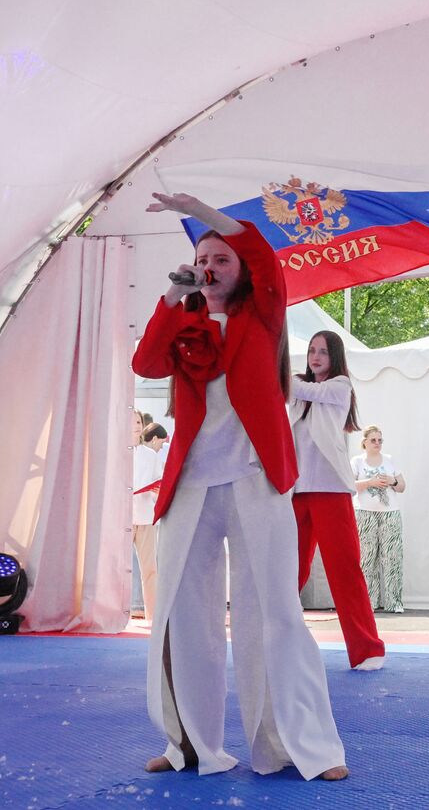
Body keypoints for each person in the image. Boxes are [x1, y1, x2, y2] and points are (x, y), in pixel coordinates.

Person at [132, 192, 347, 780]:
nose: (212, 265)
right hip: (192, 488)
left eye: (223, 258)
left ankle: (294, 745)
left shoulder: (264, 314)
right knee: (182, 615)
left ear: (241, 268)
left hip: (257, 480)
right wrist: (175, 295)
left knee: (274, 612)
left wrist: (204, 212)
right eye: (204, 257)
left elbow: (264, 255)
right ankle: (191, 746)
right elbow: (146, 363)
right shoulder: (186, 319)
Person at [291, 330, 385, 670]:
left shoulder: (340, 385)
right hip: (297, 492)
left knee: (344, 570)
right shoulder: (299, 393)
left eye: (323, 352)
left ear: (335, 358)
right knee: (289, 572)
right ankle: (279, 643)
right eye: (312, 350)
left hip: (331, 491)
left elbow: (293, 386)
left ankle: (367, 648)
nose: (316, 357)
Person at [351, 426, 406, 614]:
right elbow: (350, 485)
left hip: (390, 512)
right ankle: (369, 602)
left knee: (392, 557)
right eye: (373, 440)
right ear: (364, 442)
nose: (377, 444)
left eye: (380, 440)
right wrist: (370, 483)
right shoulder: (357, 461)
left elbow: (402, 486)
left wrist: (392, 481)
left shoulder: (390, 460)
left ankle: (394, 602)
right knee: (368, 558)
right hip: (365, 513)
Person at [130, 415, 165, 621]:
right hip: (121, 518)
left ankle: (153, 616)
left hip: (145, 516)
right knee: (117, 568)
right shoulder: (116, 453)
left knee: (150, 568)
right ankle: (115, 613)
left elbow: (159, 481)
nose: (135, 426)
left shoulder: (151, 456)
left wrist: (156, 490)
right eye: (132, 421)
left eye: (138, 422)